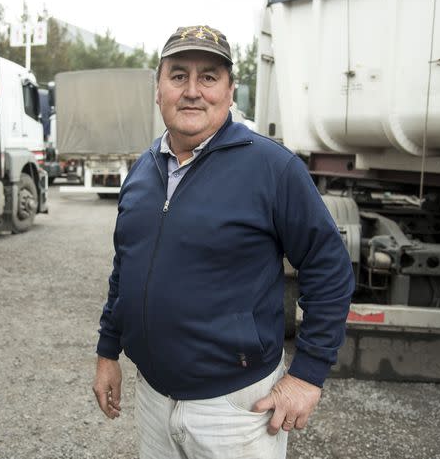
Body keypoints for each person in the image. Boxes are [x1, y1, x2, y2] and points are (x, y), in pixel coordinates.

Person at [92, 25, 354, 459]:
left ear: (230, 92)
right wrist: (107, 352)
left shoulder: (273, 168)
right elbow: (125, 269)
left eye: (209, 77)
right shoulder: (142, 171)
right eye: (178, 76)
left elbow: (330, 270)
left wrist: (307, 375)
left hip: (235, 409)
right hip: (155, 399)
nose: (192, 91)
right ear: (158, 90)